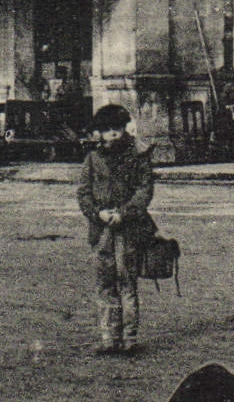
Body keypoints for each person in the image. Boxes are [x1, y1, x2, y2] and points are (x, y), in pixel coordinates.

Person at [75, 103, 156, 355]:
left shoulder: (138, 155)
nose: (112, 133)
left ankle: (129, 338)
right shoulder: (93, 158)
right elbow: (83, 193)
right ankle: (109, 338)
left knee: (127, 282)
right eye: (107, 129)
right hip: (100, 230)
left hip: (128, 229)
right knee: (104, 283)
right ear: (99, 132)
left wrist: (124, 213)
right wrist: (97, 213)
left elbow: (144, 191)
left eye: (117, 128)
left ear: (124, 128)